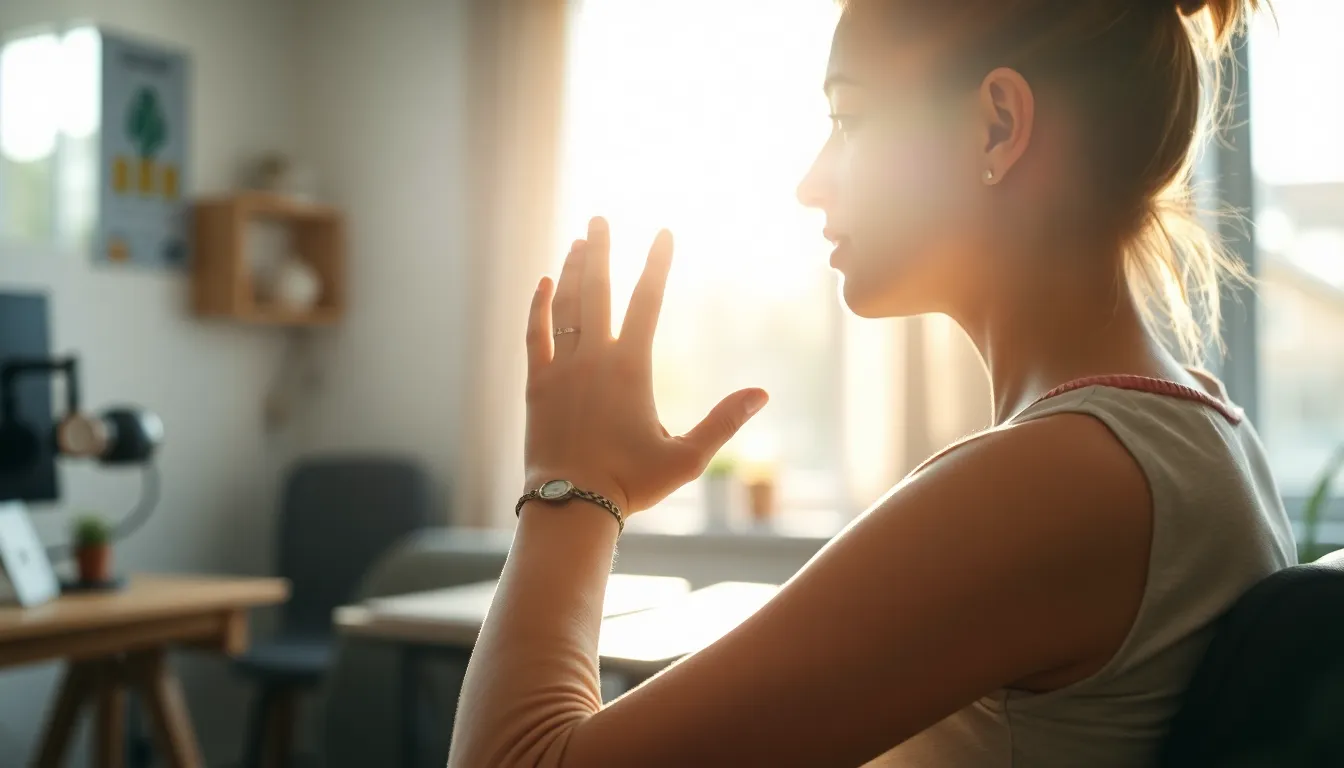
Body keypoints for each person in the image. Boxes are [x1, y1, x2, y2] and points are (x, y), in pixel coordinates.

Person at [448, 0, 1296, 765]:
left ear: (997, 126)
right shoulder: (1202, 431)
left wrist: (573, 489)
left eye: (849, 117)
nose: (811, 181)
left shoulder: (1056, 483)